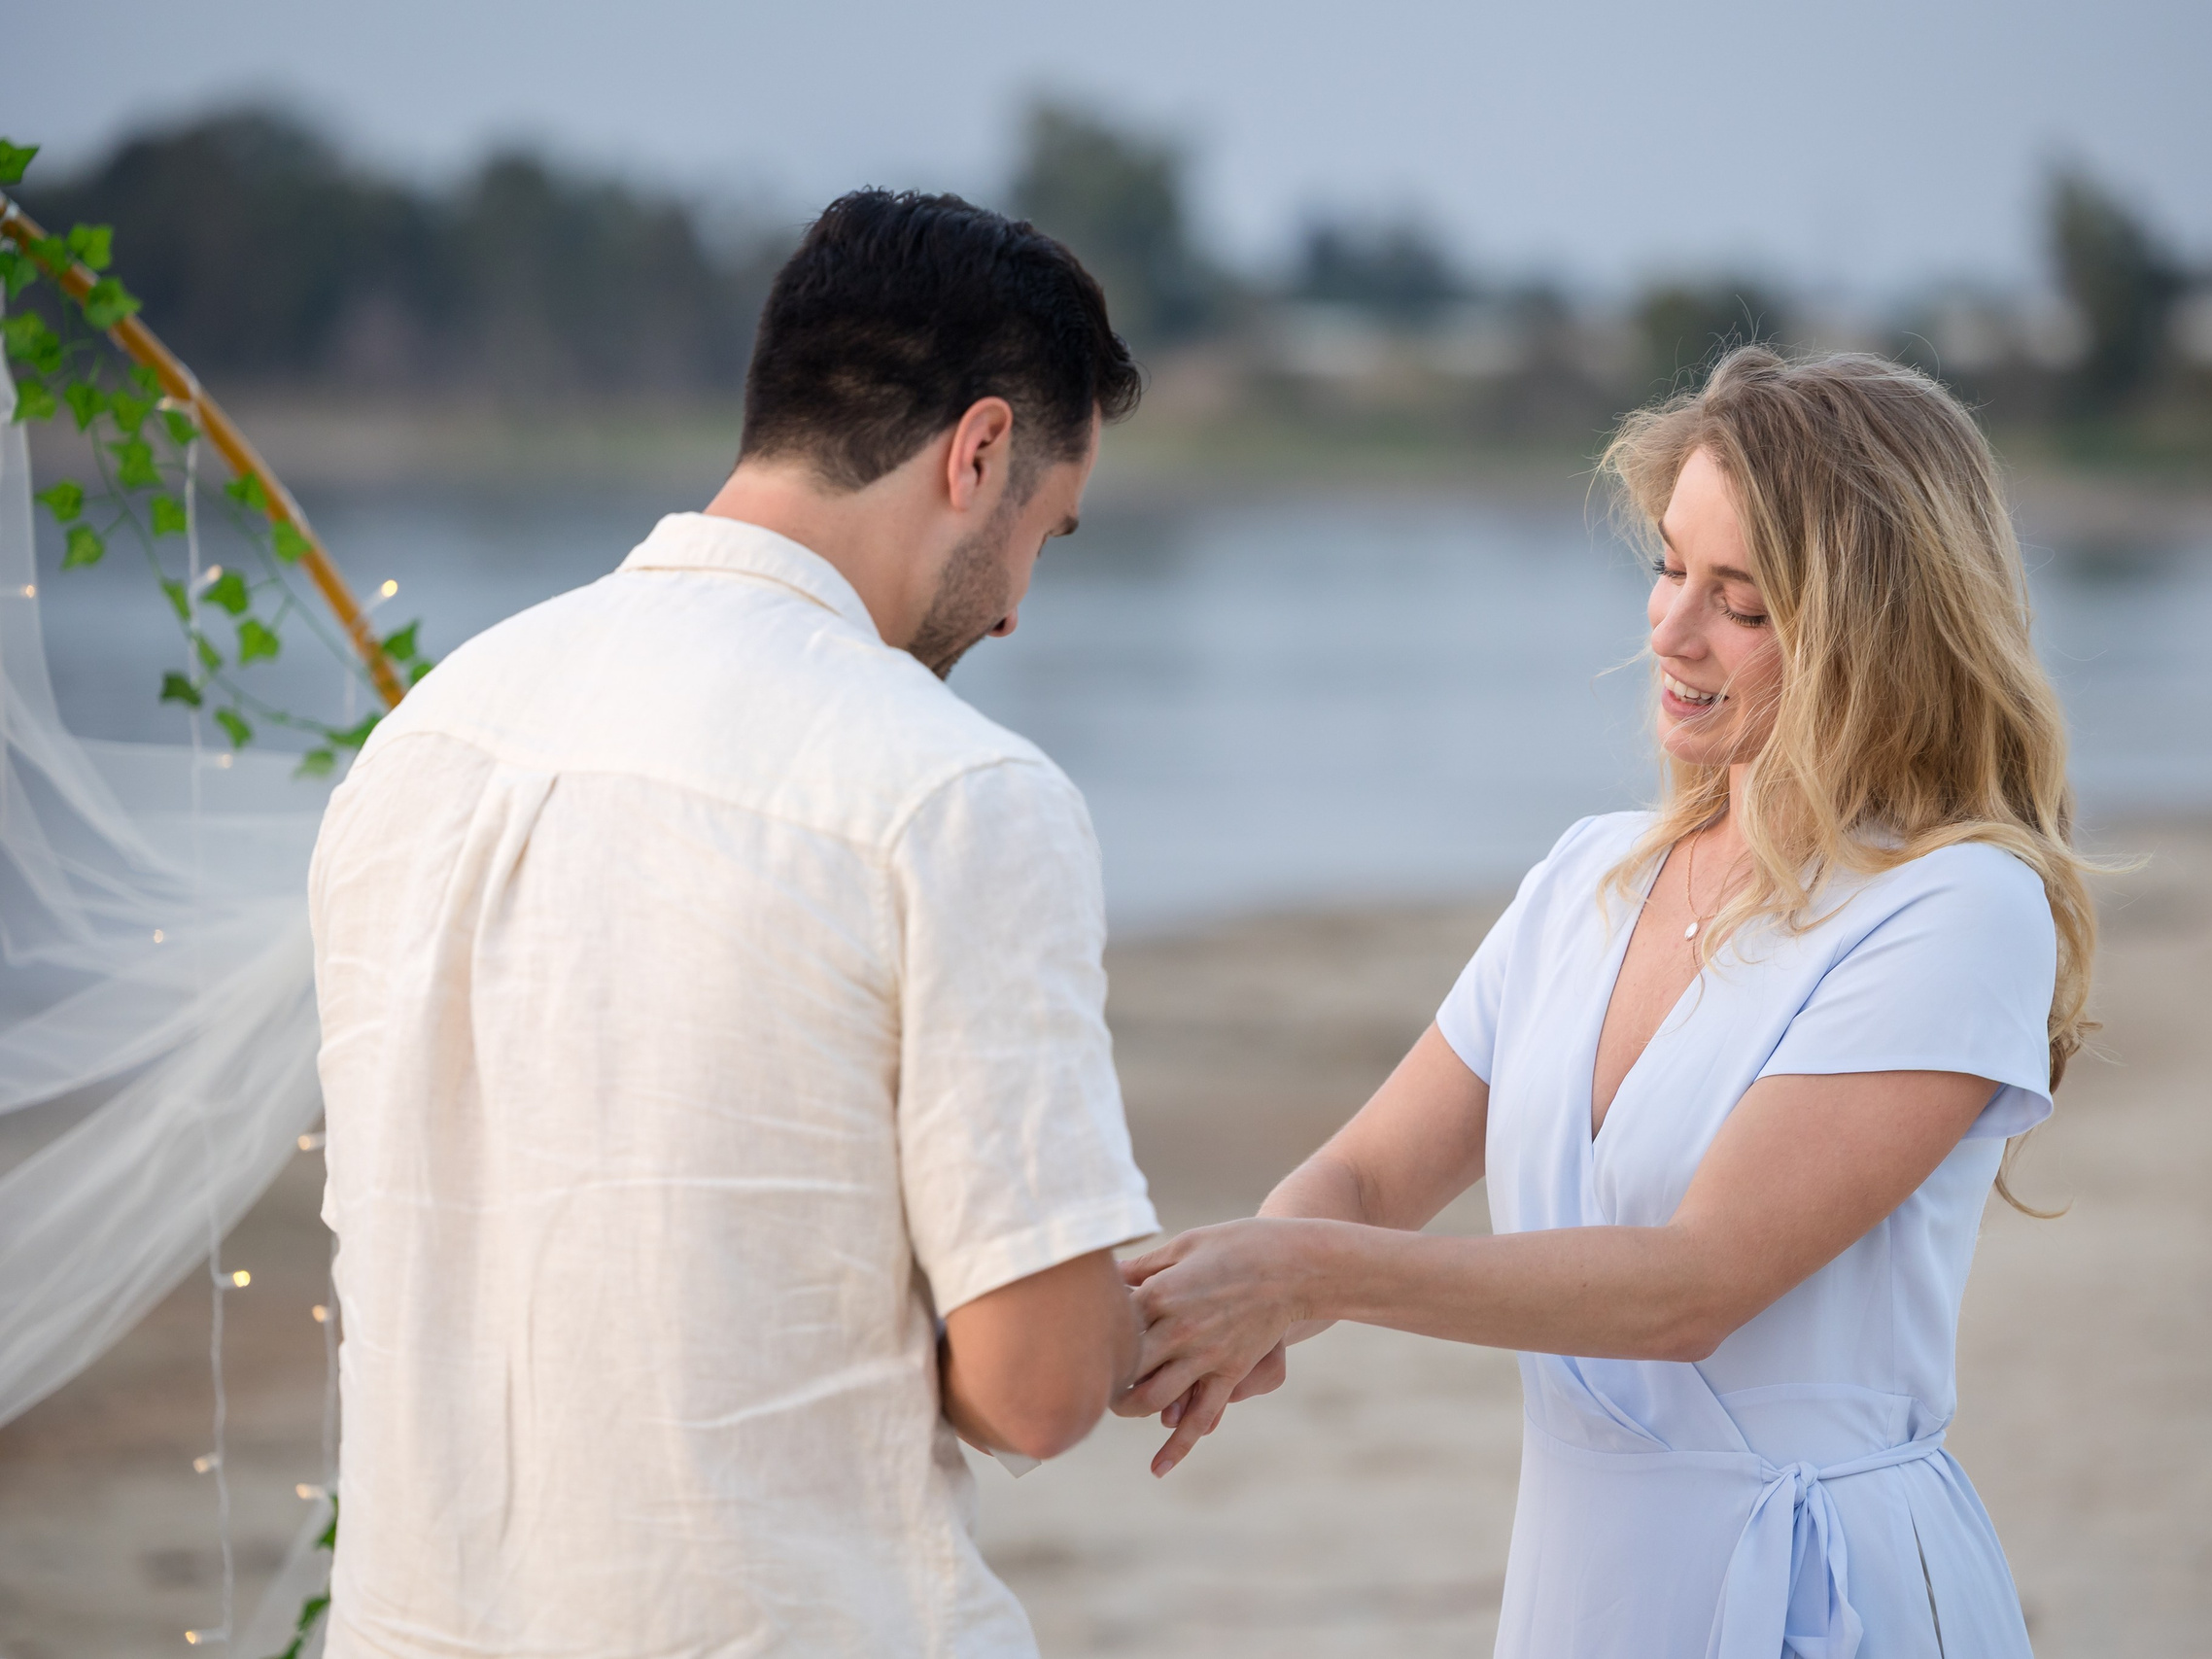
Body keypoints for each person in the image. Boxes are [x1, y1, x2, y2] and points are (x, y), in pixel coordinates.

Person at [1117, 347, 2098, 1658]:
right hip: (1581, 1586)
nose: (1671, 631)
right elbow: (1366, 1177)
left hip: (1822, 1591)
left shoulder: (1954, 908)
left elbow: (1691, 1288)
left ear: (1875, 637)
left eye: (1740, 602)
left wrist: (1304, 1275)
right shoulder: (1588, 876)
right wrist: (1228, 1303)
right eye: (1668, 567)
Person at [309, 190, 1157, 1657]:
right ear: (978, 452)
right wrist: (1117, 1315)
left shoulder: (427, 736)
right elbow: (1038, 1387)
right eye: (1047, 533)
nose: (1018, 608)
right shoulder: (958, 797)